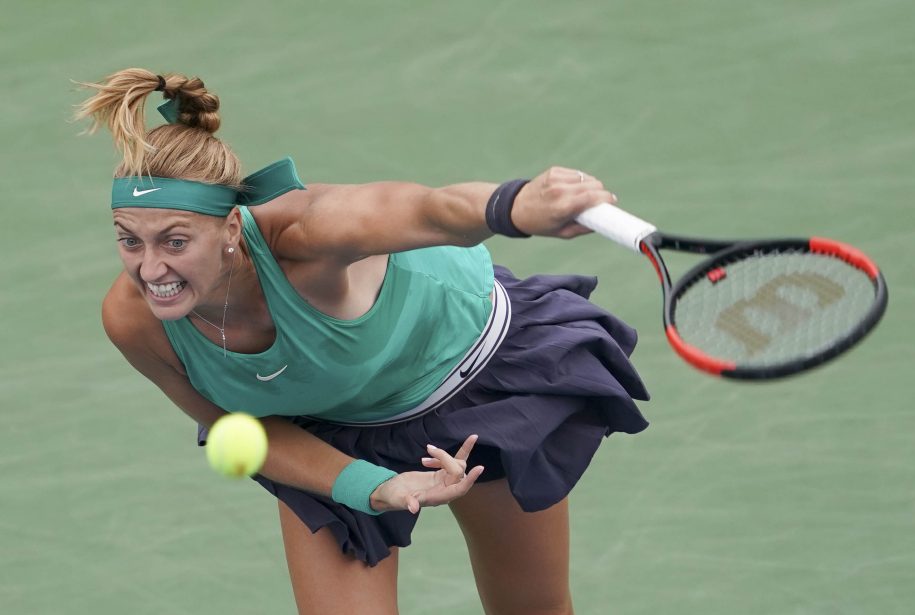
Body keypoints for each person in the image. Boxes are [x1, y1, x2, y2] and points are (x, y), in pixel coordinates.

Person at [75, 68, 650, 615]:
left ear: (230, 228)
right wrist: (377, 486)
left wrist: (516, 205)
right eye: (130, 241)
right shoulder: (134, 321)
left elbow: (431, 211)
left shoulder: (305, 234)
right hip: (325, 427)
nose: (150, 270)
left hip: (470, 379)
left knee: (531, 607)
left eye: (175, 243)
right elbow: (237, 427)